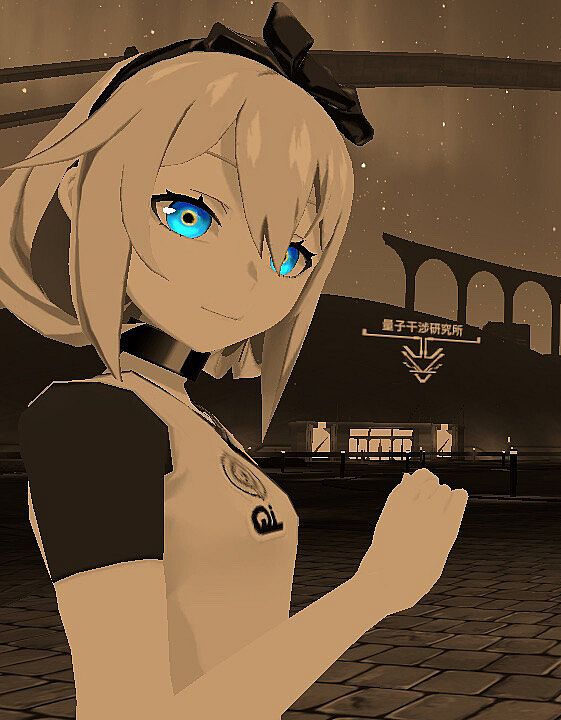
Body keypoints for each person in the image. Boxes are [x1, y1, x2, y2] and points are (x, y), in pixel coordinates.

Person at [1, 5, 467, 719]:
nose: (249, 278)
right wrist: (372, 593)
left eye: (289, 255)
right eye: (190, 213)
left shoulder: (193, 422)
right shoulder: (92, 422)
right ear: (83, 187)